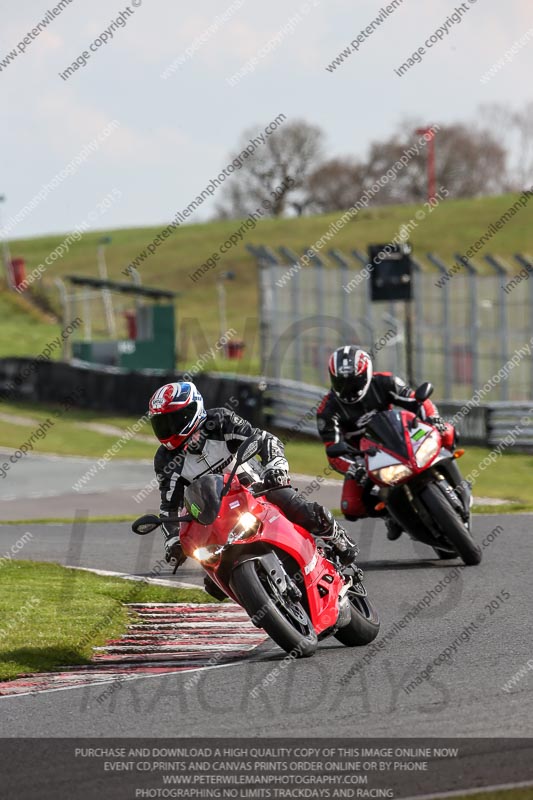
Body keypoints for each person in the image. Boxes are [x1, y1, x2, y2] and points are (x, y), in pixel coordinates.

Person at [148, 381, 359, 598]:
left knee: (292, 502)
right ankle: (263, 602)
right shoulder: (165, 459)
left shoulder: (219, 421)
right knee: (213, 583)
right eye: (162, 423)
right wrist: (173, 541)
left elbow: (265, 439)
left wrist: (275, 468)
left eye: (174, 420)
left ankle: (336, 536)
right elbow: (169, 506)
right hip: (216, 515)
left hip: (255, 490)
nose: (169, 428)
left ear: (192, 411)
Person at [317, 346, 452, 540]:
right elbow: (333, 453)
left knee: (446, 430)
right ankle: (392, 515)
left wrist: (433, 418)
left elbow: (418, 401)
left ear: (366, 375)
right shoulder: (327, 410)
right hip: (364, 457)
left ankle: (450, 468)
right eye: (340, 382)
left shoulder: (385, 381)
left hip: (399, 437)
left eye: (353, 381)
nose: (347, 388)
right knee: (351, 507)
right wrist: (354, 468)